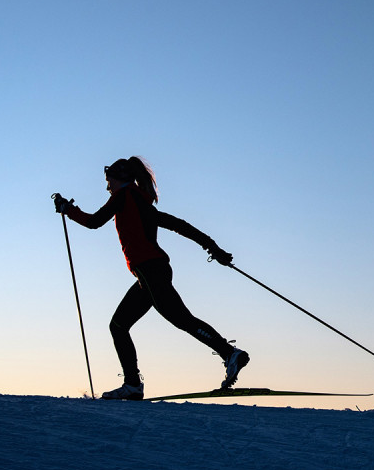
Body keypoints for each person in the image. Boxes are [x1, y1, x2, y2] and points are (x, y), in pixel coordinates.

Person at [53, 156, 249, 400]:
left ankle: (229, 353)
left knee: (180, 318)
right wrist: (213, 248)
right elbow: (179, 225)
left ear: (119, 178)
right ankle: (133, 384)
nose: (107, 187)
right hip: (149, 273)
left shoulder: (124, 197)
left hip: (149, 270)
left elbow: (94, 222)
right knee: (119, 326)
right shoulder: (141, 202)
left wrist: (67, 209)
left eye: (108, 181)